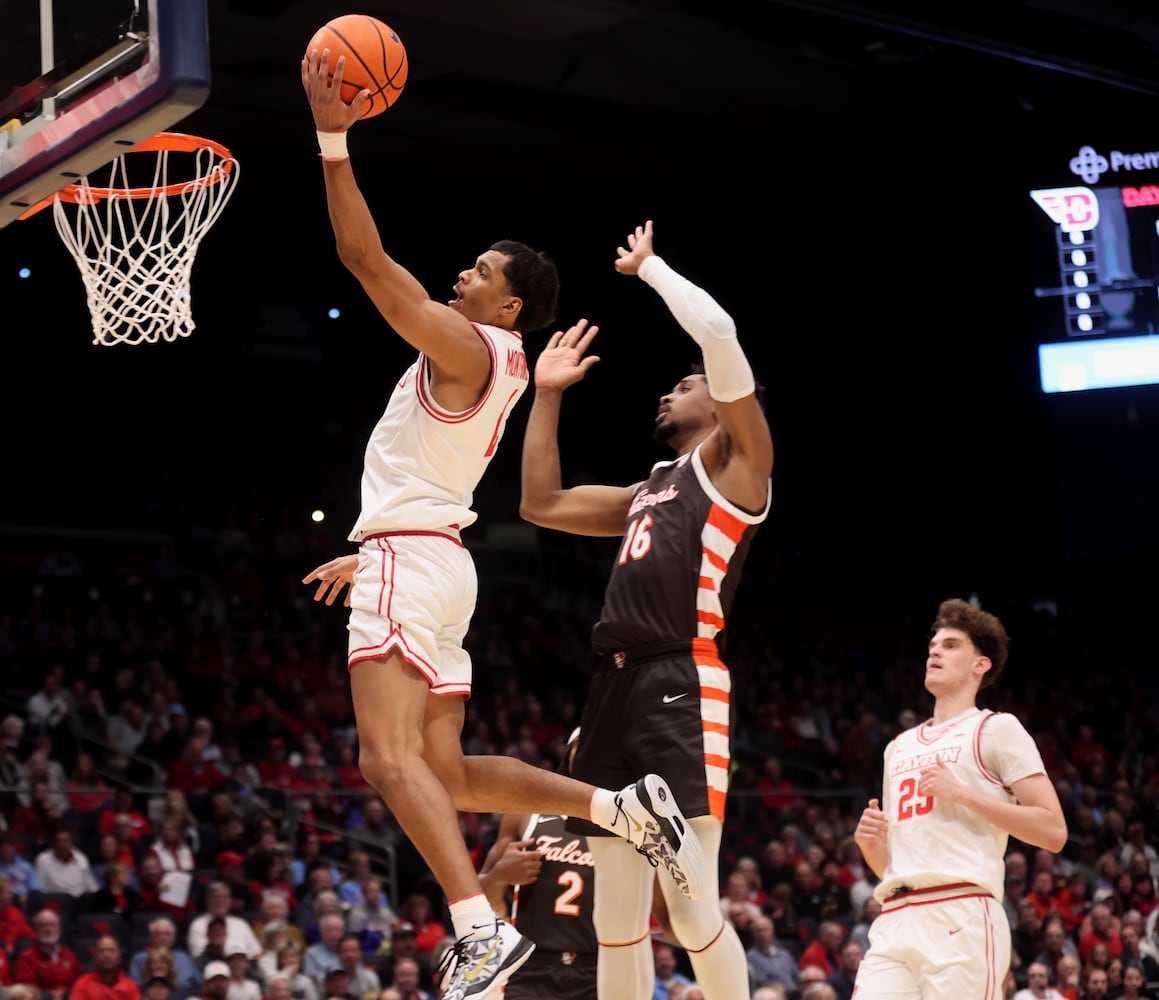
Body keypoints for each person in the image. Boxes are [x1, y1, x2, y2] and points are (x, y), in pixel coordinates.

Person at [298, 51, 704, 1000]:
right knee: (445, 770)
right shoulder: (504, 360)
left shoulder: (473, 345)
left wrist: (331, 137)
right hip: (434, 561)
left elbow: (365, 262)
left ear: (508, 305)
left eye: (478, 271)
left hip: (416, 562)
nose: (461, 274)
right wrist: (380, 551)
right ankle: (617, 805)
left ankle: (479, 931)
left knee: (385, 760)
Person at [519, 219, 772, 1000]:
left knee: (690, 900)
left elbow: (720, 330)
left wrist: (652, 268)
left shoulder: (735, 467)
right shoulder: (645, 489)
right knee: (616, 917)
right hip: (611, 686)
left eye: (687, 384)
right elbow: (540, 502)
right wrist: (546, 396)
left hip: (681, 678)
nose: (671, 390)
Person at [853, 598, 1068, 998]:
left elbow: (1053, 831)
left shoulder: (997, 729)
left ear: (980, 664)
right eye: (934, 644)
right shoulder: (896, 748)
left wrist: (963, 794)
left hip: (962, 913)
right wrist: (872, 846)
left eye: (951, 644)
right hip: (896, 917)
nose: (935, 650)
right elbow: (891, 867)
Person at [476, 728, 597, 1000]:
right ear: (568, 753)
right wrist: (498, 876)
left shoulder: (626, 824)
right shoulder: (526, 813)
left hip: (599, 966)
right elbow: (476, 893)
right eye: (582, 744)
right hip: (531, 965)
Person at [69, 935, 141, 1000]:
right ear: (94, 958)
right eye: (101, 951)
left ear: (119, 958)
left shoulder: (130, 986)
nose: (106, 955)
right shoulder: (82, 985)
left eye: (111, 951)